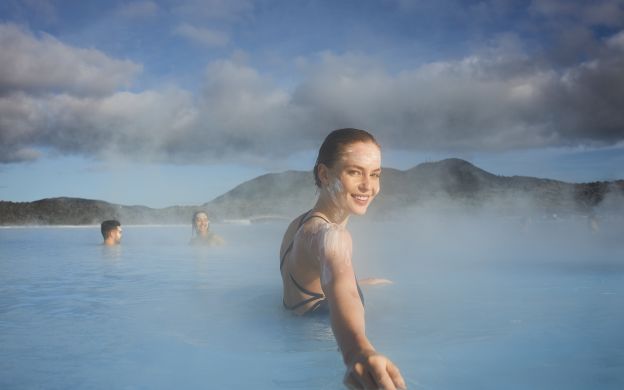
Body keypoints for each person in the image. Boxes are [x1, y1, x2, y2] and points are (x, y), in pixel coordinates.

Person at [279, 128, 406, 389]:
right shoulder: (331, 234)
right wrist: (357, 352)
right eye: (354, 172)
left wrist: (360, 281)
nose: (368, 186)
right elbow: (342, 287)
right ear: (324, 174)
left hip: (296, 339)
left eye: (375, 174)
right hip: (323, 347)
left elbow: (327, 274)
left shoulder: (300, 225)